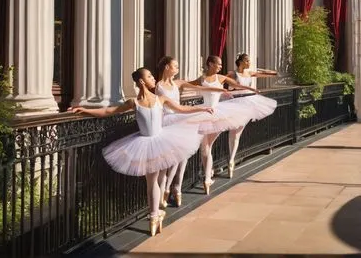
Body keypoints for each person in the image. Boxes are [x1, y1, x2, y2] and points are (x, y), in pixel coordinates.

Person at [68, 67, 213, 237]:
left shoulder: (158, 99)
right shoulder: (134, 102)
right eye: (150, 76)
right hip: (148, 145)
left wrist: (202, 109)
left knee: (154, 181)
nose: (153, 78)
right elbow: (107, 111)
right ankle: (155, 214)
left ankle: (154, 215)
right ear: (142, 81)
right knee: (154, 181)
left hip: (160, 141)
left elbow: (181, 108)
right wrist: (85, 110)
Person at [155, 55, 237, 208]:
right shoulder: (158, 86)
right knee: (173, 159)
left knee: (183, 155)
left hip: (180, 120)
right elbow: (169, 107)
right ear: (167, 67)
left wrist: (221, 90)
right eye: (175, 66)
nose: (178, 69)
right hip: (168, 122)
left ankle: (176, 189)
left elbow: (201, 88)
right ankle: (166, 190)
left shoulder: (178, 83)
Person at [193, 55, 277, 194]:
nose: (220, 66)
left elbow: (242, 82)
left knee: (217, 142)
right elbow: (190, 84)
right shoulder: (225, 75)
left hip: (229, 108)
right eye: (218, 64)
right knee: (207, 145)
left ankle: (221, 166)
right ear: (210, 64)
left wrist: (253, 88)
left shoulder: (224, 76)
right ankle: (209, 175)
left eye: (221, 64)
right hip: (215, 109)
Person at [226, 53, 277, 178]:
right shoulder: (232, 73)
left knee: (237, 133)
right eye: (247, 60)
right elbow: (223, 82)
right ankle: (230, 160)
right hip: (235, 102)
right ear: (241, 61)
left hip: (246, 103)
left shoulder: (249, 73)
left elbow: (273, 74)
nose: (249, 63)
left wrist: (265, 70)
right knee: (233, 132)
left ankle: (231, 160)